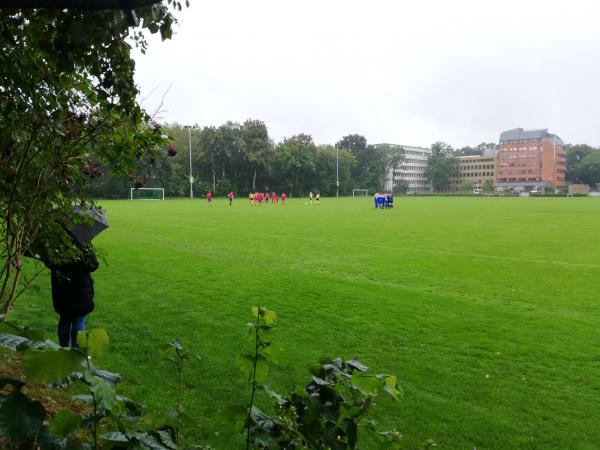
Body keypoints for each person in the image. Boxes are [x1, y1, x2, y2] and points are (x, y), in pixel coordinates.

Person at [47, 242, 99, 347]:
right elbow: (93, 264)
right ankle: (75, 352)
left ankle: (64, 349)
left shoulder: (55, 242)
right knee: (78, 319)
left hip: (61, 287)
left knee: (65, 319)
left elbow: (49, 263)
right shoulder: (82, 241)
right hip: (79, 288)